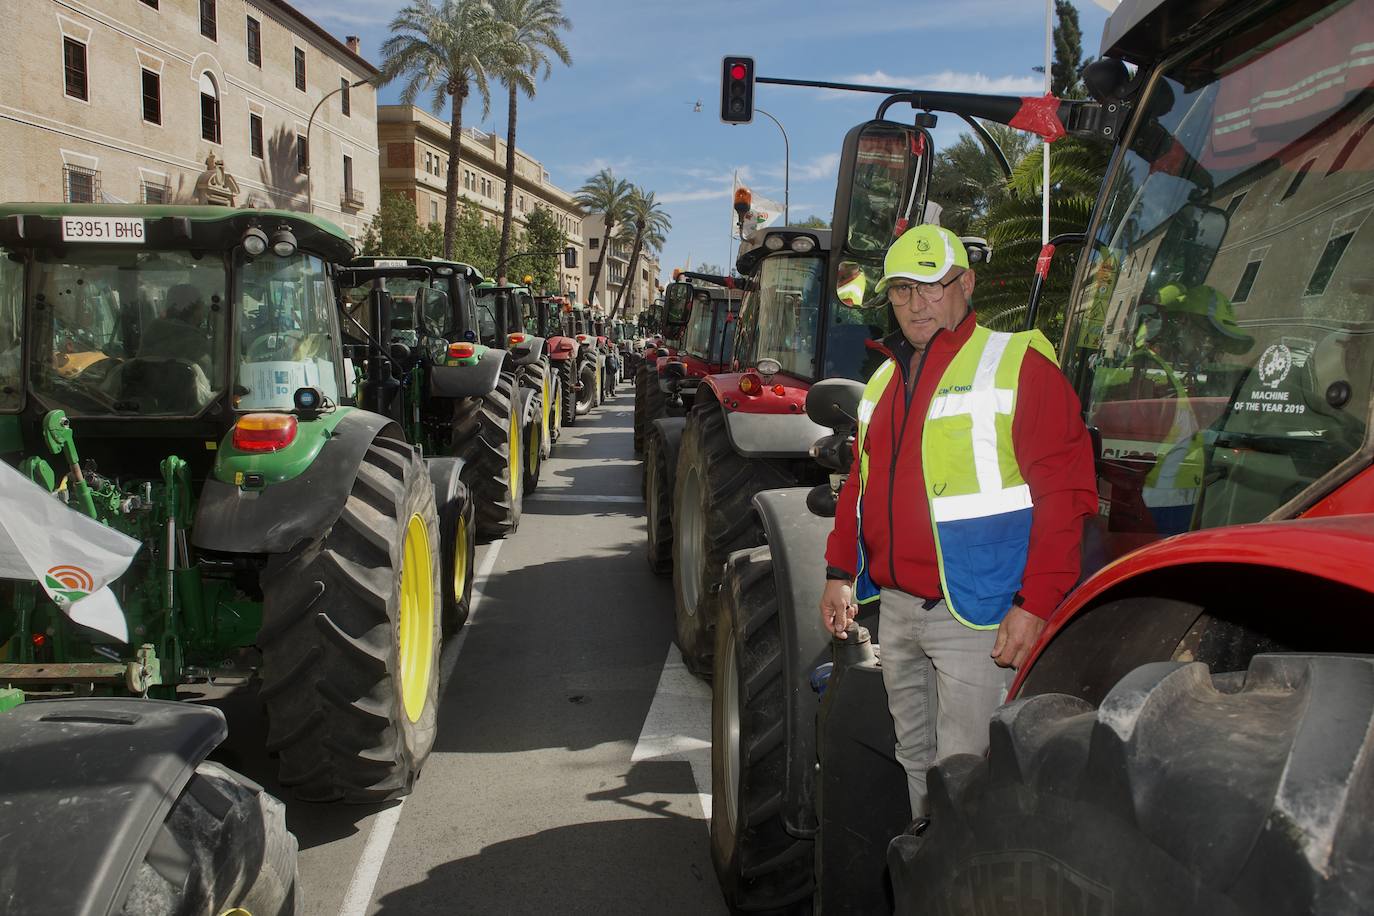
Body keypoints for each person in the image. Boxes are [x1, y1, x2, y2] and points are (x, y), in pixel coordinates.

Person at [819, 224, 1097, 820]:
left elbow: (1066, 493)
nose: (917, 304)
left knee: (969, 776)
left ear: (966, 284)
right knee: (915, 759)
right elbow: (861, 487)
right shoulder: (885, 379)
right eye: (901, 290)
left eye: (933, 286)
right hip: (894, 608)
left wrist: (1037, 602)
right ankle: (927, 869)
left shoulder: (1016, 364)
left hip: (977, 616)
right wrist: (840, 571)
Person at [139, 283, 213, 374]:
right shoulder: (197, 347)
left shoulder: (150, 336)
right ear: (195, 311)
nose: (204, 312)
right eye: (201, 306)